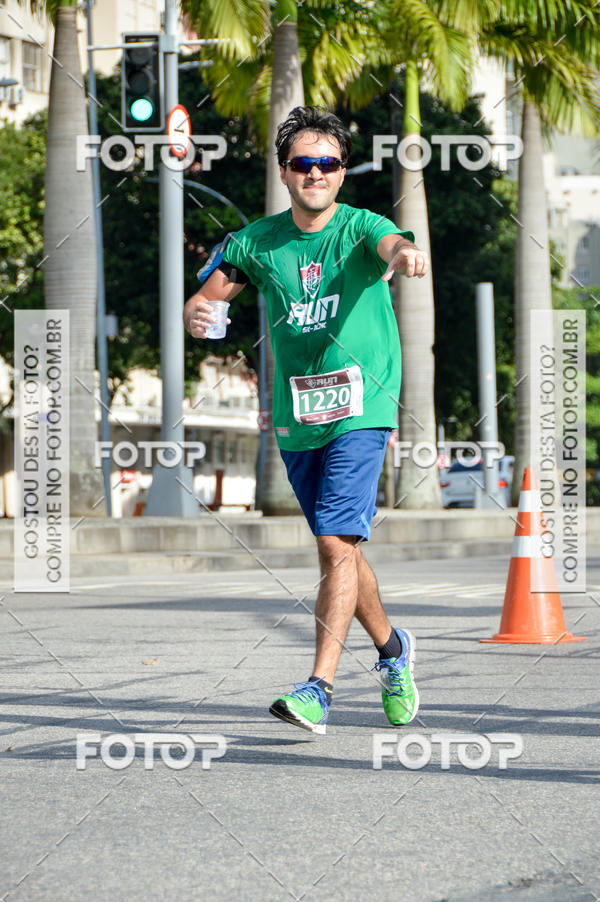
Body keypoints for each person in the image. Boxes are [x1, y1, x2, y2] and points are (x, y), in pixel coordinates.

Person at [183, 106, 428, 736]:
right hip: (299, 410)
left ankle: (318, 688)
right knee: (338, 541)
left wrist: (405, 255)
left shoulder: (359, 227)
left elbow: (390, 243)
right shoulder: (254, 242)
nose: (315, 173)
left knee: (331, 541)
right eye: (303, 164)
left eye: (328, 163)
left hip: (363, 402)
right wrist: (199, 316)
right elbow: (209, 295)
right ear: (285, 172)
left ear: (343, 173)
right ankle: (393, 650)